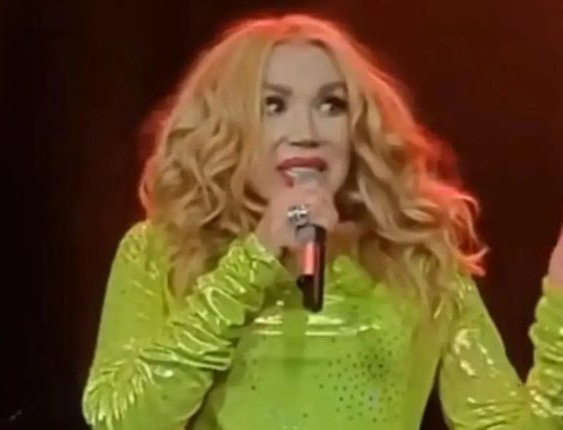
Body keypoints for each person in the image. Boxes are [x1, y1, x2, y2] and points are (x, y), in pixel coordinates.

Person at [81, 14, 563, 430]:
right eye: (274, 105)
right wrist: (253, 262)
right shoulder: (162, 250)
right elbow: (118, 417)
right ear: (227, 124)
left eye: (331, 105)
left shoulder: (418, 258)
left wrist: (560, 312)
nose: (307, 133)